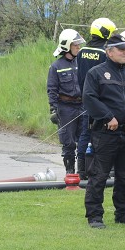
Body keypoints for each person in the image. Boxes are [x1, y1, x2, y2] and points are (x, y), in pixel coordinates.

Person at [82, 34, 125, 229]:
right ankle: (94, 216)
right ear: (109, 52)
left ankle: (124, 214)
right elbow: (89, 98)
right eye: (121, 49)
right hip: (105, 133)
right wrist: (107, 116)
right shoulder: (96, 73)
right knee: (99, 175)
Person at [76, 17, 117, 179]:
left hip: (87, 99)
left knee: (85, 134)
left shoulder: (82, 51)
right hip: (104, 100)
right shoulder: (104, 53)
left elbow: (80, 76)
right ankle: (101, 169)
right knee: (104, 135)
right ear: (105, 32)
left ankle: (82, 169)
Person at [47, 29, 86, 175]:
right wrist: (53, 109)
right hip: (65, 108)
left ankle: (83, 171)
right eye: (75, 44)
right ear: (67, 45)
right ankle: (70, 172)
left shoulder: (82, 62)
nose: (78, 47)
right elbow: (52, 89)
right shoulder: (56, 66)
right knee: (68, 142)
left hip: (82, 106)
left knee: (84, 139)